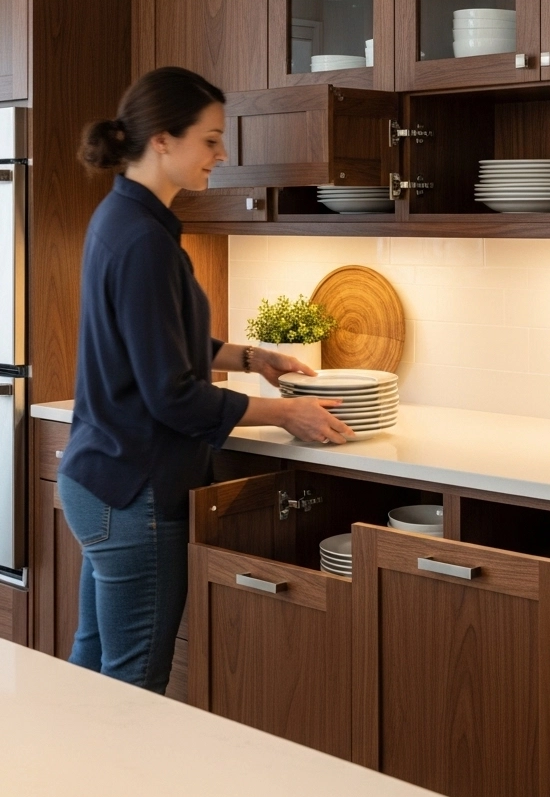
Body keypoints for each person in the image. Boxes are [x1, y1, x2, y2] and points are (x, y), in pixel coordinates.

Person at [58, 66, 353, 694]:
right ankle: (117, 795)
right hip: (136, 489)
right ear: (163, 139)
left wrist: (251, 358)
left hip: (100, 478)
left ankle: (71, 791)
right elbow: (172, 396)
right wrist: (287, 414)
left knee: (93, 679)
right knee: (133, 684)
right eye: (211, 139)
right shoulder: (144, 240)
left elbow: (158, 345)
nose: (222, 155)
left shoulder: (122, 219)